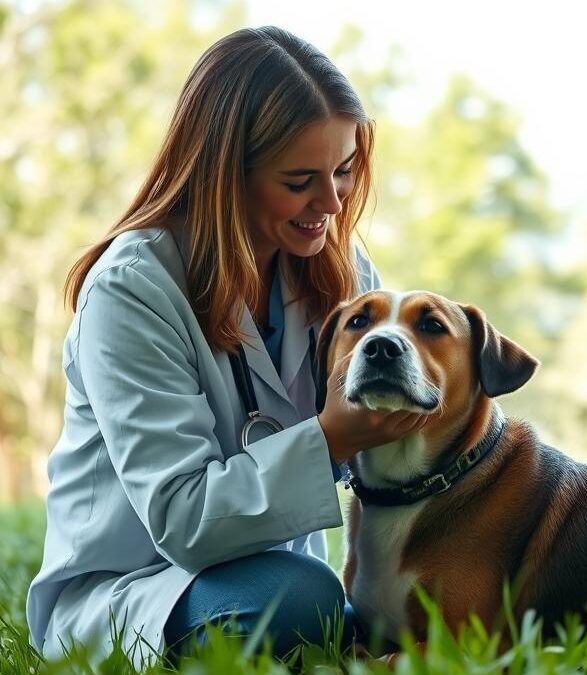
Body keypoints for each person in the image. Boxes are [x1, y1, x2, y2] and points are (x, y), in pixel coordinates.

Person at [26, 26, 428, 664]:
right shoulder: (132, 290)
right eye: (300, 180)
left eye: (345, 171)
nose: (329, 203)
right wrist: (335, 438)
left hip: (269, 568)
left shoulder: (338, 267)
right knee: (298, 599)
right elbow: (183, 519)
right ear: (224, 173)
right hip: (135, 587)